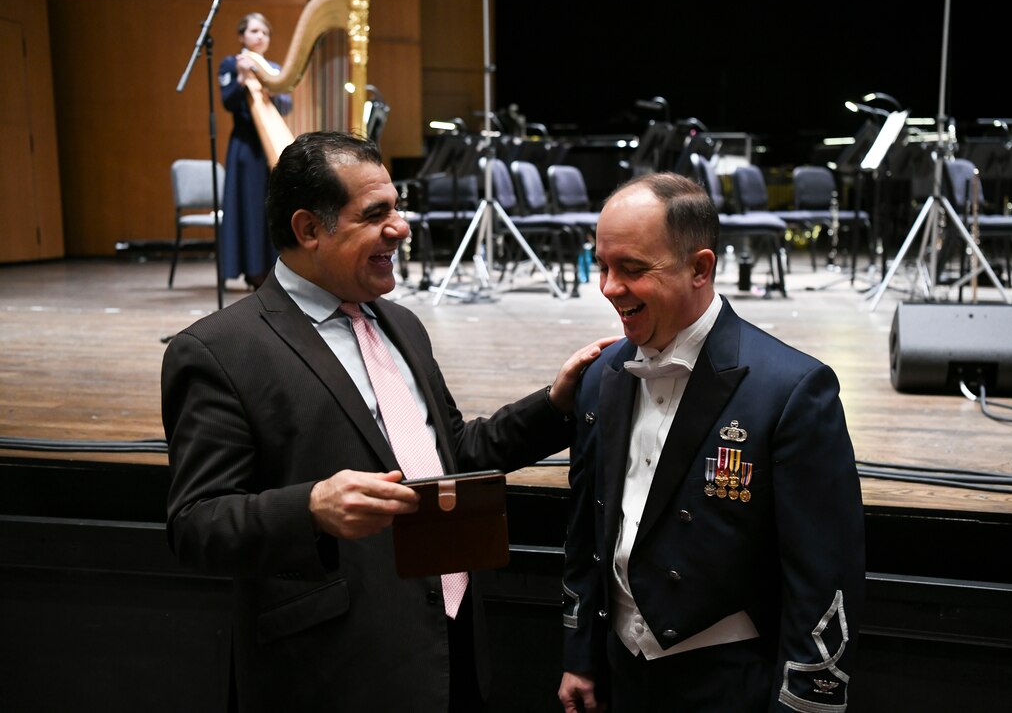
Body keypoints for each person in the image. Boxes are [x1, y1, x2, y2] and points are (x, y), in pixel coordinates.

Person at [162, 130, 613, 713]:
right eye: (376, 214)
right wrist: (310, 507)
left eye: (397, 207)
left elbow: (453, 453)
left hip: (450, 650)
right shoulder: (220, 350)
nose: (401, 227)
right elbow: (196, 525)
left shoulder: (400, 324)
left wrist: (553, 404)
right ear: (308, 229)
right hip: (334, 670)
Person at [558, 173, 865, 712]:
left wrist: (805, 702)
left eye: (631, 269)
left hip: (729, 684)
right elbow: (585, 531)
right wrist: (579, 652)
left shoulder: (792, 390)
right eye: (603, 266)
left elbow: (823, 574)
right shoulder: (601, 374)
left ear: (700, 268)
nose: (608, 287)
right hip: (619, 674)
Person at [218, 12, 292, 290]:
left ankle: (273, 267)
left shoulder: (273, 68)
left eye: (265, 32)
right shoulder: (230, 63)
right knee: (250, 206)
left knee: (270, 206)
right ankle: (252, 269)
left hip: (269, 148)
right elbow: (228, 102)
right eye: (254, 31)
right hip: (246, 149)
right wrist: (240, 77)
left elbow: (286, 105)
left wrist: (274, 89)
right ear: (241, 36)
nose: (260, 36)